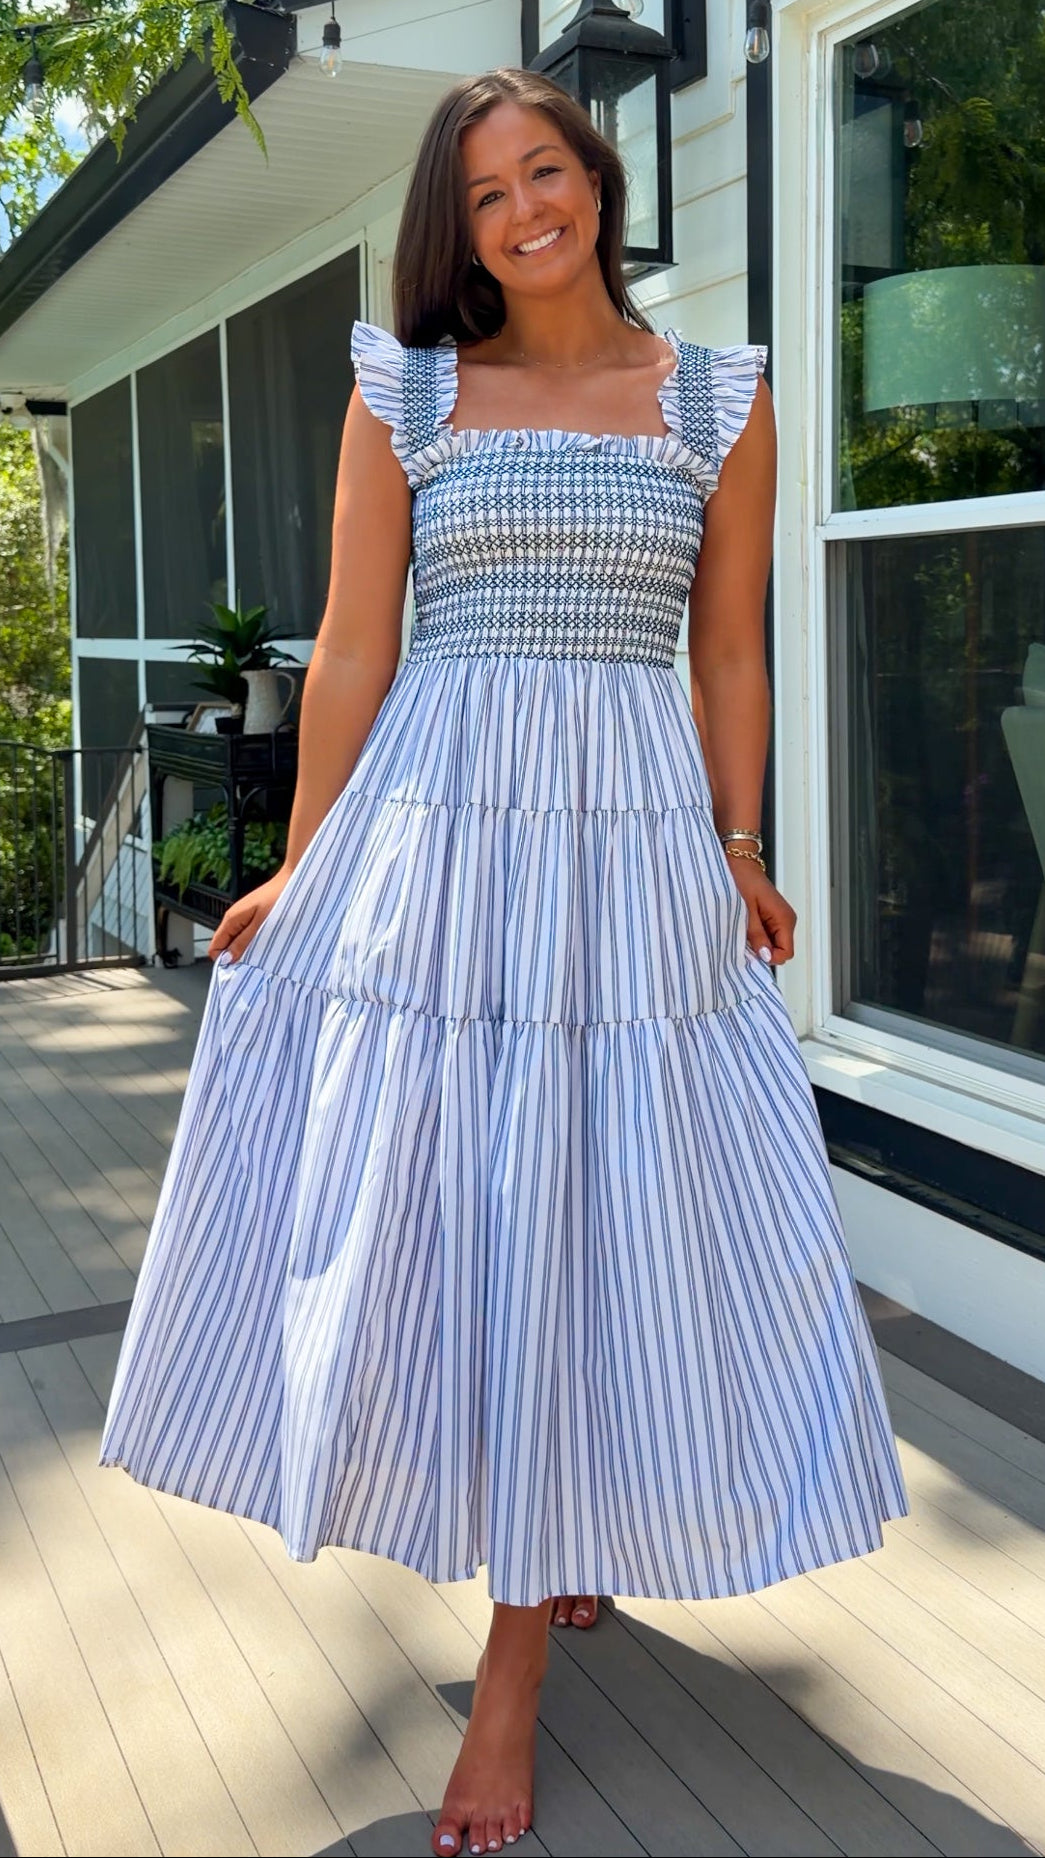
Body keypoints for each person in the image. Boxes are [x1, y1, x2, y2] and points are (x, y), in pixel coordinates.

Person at [100, 66, 908, 1858]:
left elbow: (728, 654)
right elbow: (354, 652)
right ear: (452, 230)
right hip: (439, 844)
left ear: (596, 178)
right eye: (482, 195)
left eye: (544, 170)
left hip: (623, 853)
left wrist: (740, 839)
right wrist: (298, 871)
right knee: (451, 1203)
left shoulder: (720, 397)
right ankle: (535, 1536)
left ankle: (522, 1653)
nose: (523, 210)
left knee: (598, 1201)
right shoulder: (409, 394)